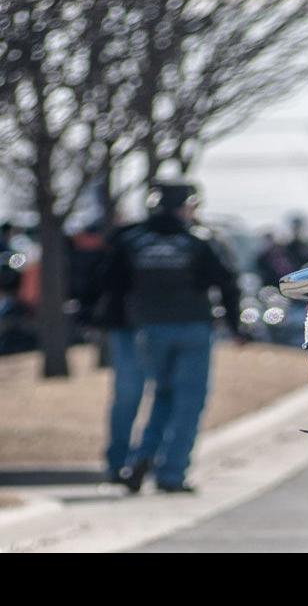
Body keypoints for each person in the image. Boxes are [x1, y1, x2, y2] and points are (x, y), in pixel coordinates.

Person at [98, 180, 245, 493]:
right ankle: (172, 472)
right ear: (184, 207)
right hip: (193, 327)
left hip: (148, 330)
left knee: (162, 395)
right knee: (190, 401)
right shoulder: (198, 240)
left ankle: (142, 456)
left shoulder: (132, 241)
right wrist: (235, 326)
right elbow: (227, 282)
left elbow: (110, 284)